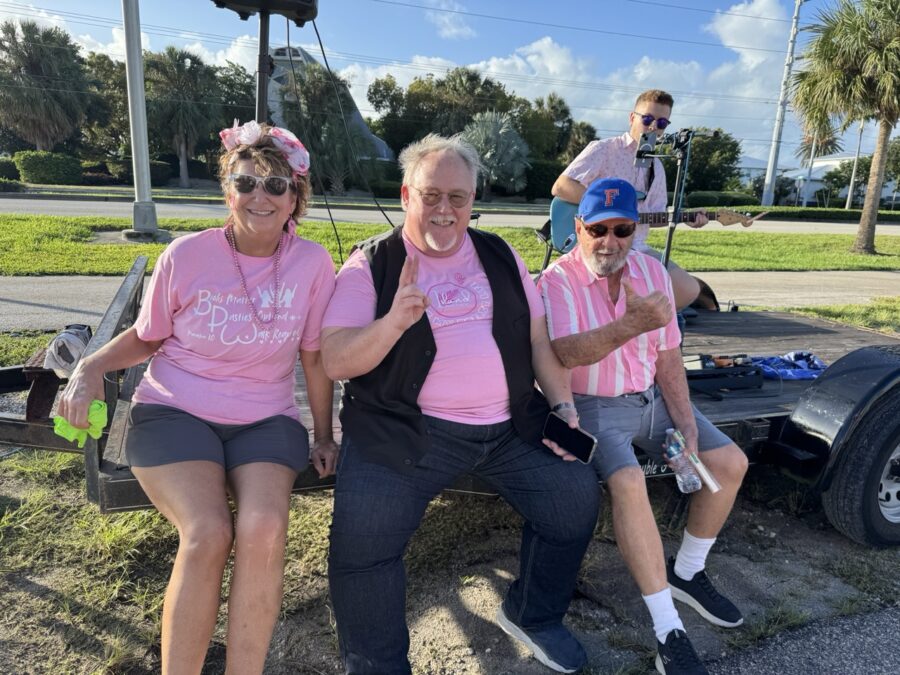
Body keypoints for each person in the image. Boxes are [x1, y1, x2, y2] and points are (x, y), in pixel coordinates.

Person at [57, 121, 338, 674]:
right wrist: (89, 367)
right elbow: (147, 335)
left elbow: (313, 356)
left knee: (264, 528)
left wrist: (324, 434)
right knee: (208, 531)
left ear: (295, 198)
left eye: (276, 185)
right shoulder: (186, 256)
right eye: (246, 183)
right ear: (227, 190)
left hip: (265, 418)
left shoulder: (313, 263)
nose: (261, 196)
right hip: (175, 412)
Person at [321, 133, 601, 674]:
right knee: (362, 549)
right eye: (431, 195)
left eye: (459, 197)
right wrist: (393, 321)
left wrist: (563, 406)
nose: (445, 210)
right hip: (407, 432)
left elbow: (540, 341)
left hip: (509, 426)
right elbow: (336, 360)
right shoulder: (371, 264)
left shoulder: (499, 252)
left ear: (474, 200)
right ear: (406, 196)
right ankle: (377, 665)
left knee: (573, 500)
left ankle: (534, 615)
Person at [538, 177, 749, 675]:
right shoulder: (557, 280)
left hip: (649, 397)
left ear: (635, 230)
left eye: (623, 229)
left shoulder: (652, 271)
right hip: (590, 404)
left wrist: (686, 424)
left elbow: (669, 356)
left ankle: (688, 571)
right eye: (599, 230)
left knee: (729, 462)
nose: (609, 242)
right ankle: (666, 629)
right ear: (578, 226)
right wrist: (630, 323)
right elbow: (564, 354)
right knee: (630, 481)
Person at [551, 89, 707, 309]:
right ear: (632, 117)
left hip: (638, 247)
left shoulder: (657, 167)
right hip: (601, 240)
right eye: (647, 119)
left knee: (688, 289)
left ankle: (635, 330)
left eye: (662, 123)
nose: (653, 127)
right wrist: (607, 207)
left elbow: (655, 215)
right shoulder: (604, 149)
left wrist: (684, 216)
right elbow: (561, 186)